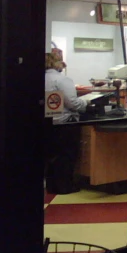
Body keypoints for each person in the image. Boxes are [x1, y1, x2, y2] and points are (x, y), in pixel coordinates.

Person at [44, 52, 87, 194]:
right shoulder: (62, 80)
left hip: (48, 122)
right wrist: (87, 103)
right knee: (67, 154)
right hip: (65, 122)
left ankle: (51, 185)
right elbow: (73, 103)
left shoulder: (41, 78)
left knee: (51, 155)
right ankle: (65, 186)